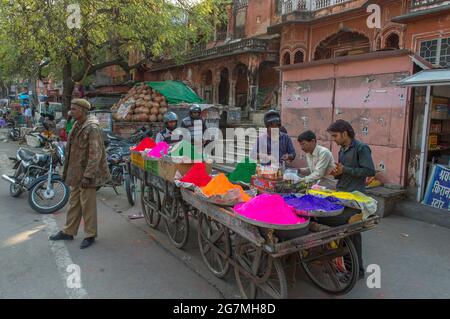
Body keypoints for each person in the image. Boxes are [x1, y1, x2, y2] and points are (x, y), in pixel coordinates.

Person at [49, 99, 110, 249]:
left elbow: (95, 154)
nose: (71, 111)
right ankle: (69, 231)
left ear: (83, 110)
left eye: (74, 109)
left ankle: (90, 234)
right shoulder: (77, 124)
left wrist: (88, 175)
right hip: (76, 172)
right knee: (74, 202)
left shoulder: (92, 127)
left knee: (87, 205)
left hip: (87, 174)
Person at [322, 119, 376, 279]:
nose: (334, 139)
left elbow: (369, 171)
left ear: (345, 133)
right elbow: (344, 171)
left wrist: (346, 169)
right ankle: (342, 266)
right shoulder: (342, 150)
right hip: (341, 193)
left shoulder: (361, 148)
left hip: (355, 197)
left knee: (352, 235)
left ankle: (355, 271)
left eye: (335, 136)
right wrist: (338, 173)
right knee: (342, 234)